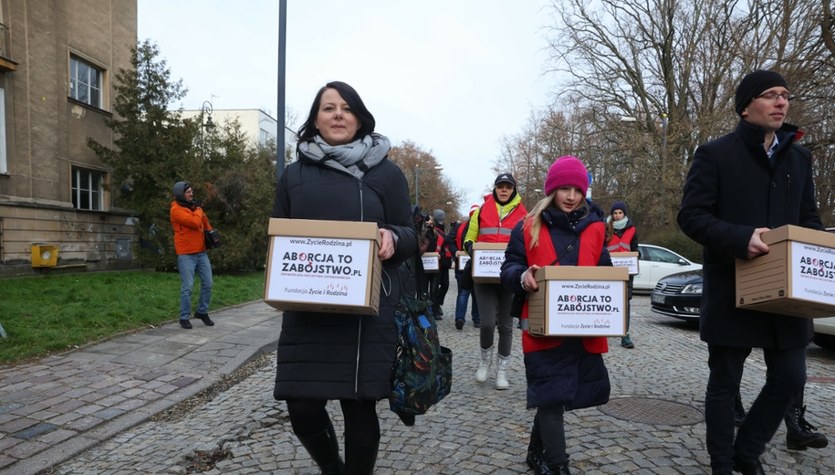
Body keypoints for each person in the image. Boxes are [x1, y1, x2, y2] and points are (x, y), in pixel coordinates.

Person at [677, 70, 826, 475]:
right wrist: (741, 237)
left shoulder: (800, 157)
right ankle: (723, 464)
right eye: (770, 95)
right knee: (725, 383)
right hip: (733, 287)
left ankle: (748, 450)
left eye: (785, 95)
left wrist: (819, 250)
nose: (782, 102)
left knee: (792, 377)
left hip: (787, 294)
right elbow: (691, 217)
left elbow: (808, 218)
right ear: (746, 106)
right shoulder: (715, 154)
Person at [271, 80, 417, 474]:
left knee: (359, 406)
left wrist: (392, 237)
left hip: (365, 314)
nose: (338, 114)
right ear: (315, 120)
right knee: (301, 406)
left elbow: (410, 234)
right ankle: (332, 468)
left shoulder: (385, 172)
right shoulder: (292, 175)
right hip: (308, 310)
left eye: (346, 108)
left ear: (359, 117)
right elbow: (279, 236)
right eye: (328, 108)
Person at [501, 156, 612, 475]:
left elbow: (605, 271)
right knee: (550, 396)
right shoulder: (527, 226)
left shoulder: (595, 228)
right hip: (541, 330)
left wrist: (617, 296)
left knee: (557, 395)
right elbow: (509, 267)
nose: (571, 195)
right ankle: (557, 466)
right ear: (552, 190)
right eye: (564, 188)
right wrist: (523, 277)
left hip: (582, 328)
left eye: (577, 189)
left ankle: (536, 452)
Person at [464, 173, 527, 389]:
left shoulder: (524, 214)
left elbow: (527, 242)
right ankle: (484, 361)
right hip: (483, 275)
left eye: (508, 187)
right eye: (500, 186)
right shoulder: (481, 211)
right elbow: (469, 238)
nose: (504, 190)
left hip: (509, 275)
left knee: (506, 325)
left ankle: (502, 370)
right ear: (495, 188)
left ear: (513, 190)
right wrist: (472, 248)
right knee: (487, 323)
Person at [170, 181, 215, 330]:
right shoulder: (176, 210)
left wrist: (212, 234)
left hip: (201, 252)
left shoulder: (195, 208)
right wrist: (200, 211)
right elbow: (195, 222)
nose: (191, 194)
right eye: (188, 192)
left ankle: (202, 311)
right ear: (180, 194)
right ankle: (184, 317)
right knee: (187, 287)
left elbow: (205, 222)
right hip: (186, 254)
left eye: (191, 191)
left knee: (208, 283)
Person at [605, 201, 639, 349]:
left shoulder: (632, 230)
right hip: (609, 270)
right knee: (607, 301)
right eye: (615, 213)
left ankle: (625, 335)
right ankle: (602, 330)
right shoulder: (606, 228)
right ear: (611, 215)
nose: (618, 215)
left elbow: (636, 248)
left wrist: (637, 255)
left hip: (626, 272)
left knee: (625, 303)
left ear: (624, 214)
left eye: (620, 213)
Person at [452, 204, 481, 329]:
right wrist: (456, 252)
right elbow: (449, 240)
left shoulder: (461, 227)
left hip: (471, 264)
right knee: (471, 292)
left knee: (464, 292)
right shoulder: (480, 226)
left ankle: (462, 318)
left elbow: (450, 240)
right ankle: (475, 319)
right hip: (470, 264)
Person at [429, 209, 452, 319]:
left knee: (445, 284)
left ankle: (437, 304)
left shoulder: (441, 229)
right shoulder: (433, 229)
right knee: (434, 286)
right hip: (437, 262)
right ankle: (434, 308)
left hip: (444, 262)